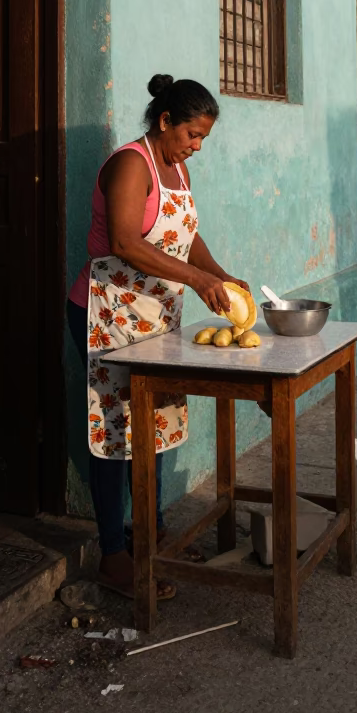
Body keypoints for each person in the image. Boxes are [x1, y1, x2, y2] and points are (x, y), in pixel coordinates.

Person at [67, 74, 249, 598]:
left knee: (160, 421)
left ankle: (152, 529)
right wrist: (197, 281)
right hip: (106, 313)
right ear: (165, 120)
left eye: (203, 140)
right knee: (116, 433)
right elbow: (125, 240)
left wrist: (221, 274)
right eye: (191, 135)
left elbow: (186, 238)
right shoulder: (131, 163)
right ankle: (113, 553)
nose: (196, 147)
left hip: (154, 318)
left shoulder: (176, 169)